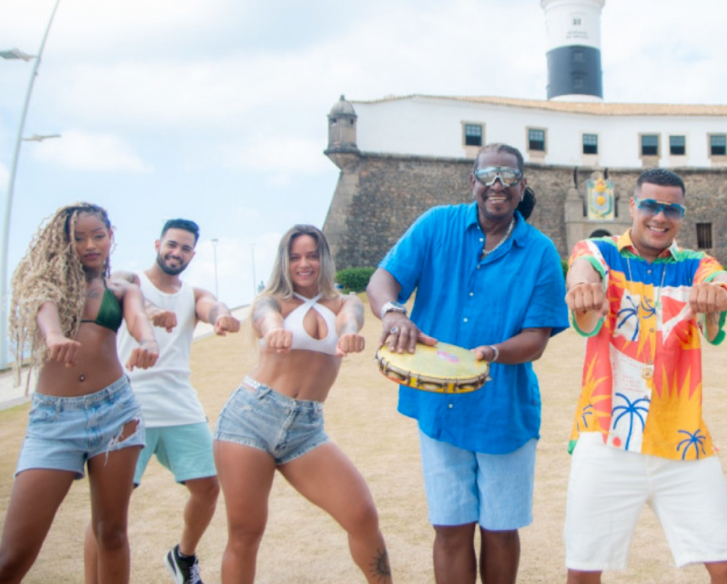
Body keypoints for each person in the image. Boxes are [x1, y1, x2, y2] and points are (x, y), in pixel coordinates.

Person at [366, 143, 568, 584]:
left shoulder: (540, 252)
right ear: (472, 181)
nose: (498, 185)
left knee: (500, 531)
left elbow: (536, 339)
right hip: (440, 408)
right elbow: (383, 280)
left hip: (504, 412)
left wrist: (493, 353)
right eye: (489, 175)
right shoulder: (436, 224)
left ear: (522, 186)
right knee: (449, 528)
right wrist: (394, 313)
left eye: (509, 177)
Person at [563, 168, 727, 583]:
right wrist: (583, 289)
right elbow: (582, 268)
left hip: (681, 435)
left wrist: (720, 292)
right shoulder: (600, 251)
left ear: (681, 215)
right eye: (650, 205)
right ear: (632, 206)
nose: (660, 217)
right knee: (584, 569)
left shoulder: (694, 264)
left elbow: (723, 281)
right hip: (605, 434)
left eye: (672, 209)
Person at [213, 224, 390, 584]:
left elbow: (350, 319)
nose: (303, 264)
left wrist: (350, 335)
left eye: (311, 255)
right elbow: (265, 318)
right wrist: (273, 330)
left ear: (324, 258)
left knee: (362, 516)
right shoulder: (272, 302)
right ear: (284, 262)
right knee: (245, 533)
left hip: (305, 429)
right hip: (250, 418)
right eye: (294, 257)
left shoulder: (344, 302)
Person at [0, 203, 159, 584]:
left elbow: (138, 319)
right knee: (12, 557)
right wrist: (55, 335)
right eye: (78, 238)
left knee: (111, 533)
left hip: (117, 414)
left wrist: (149, 342)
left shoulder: (122, 289)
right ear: (62, 243)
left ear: (110, 237)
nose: (90, 245)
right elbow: (45, 309)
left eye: (98, 236)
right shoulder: (47, 286)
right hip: (55, 421)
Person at [83, 219, 241, 584]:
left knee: (208, 488)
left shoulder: (192, 293)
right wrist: (151, 312)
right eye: (171, 244)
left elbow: (211, 305)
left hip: (180, 406)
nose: (176, 253)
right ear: (158, 244)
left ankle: (183, 557)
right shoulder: (131, 280)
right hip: (128, 407)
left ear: (192, 254)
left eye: (185, 248)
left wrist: (222, 318)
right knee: (108, 511)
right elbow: (116, 284)